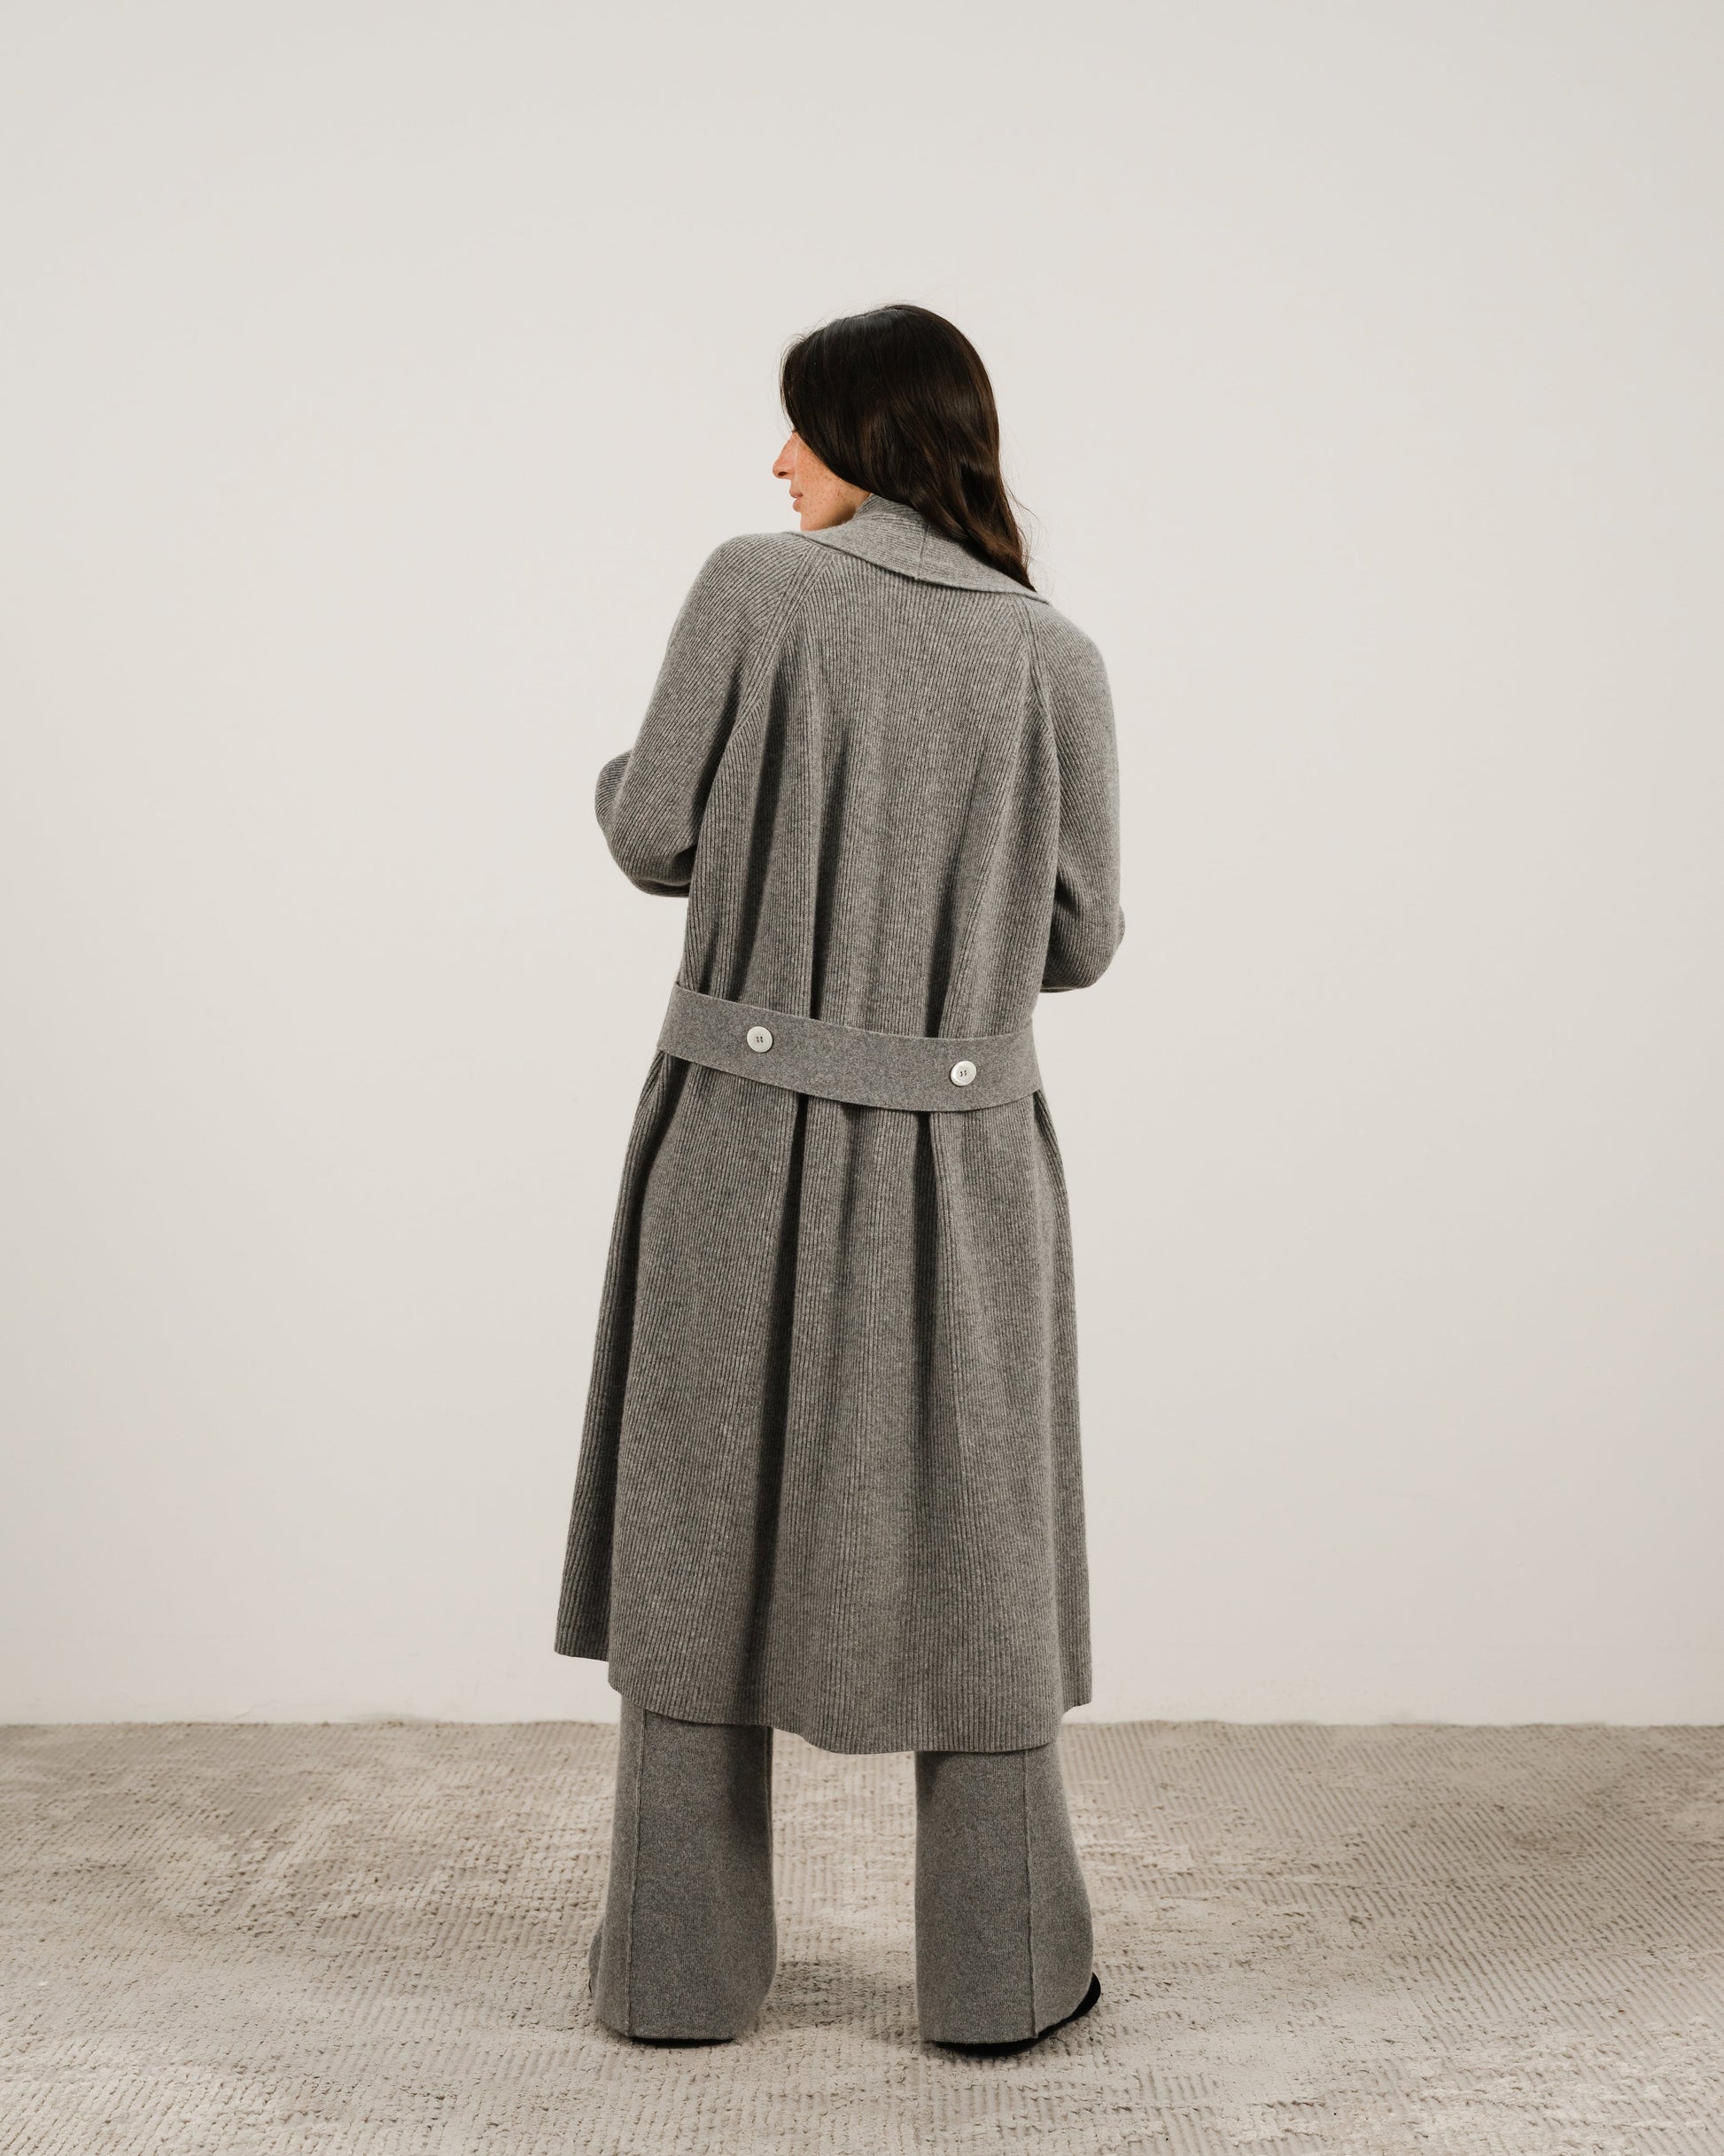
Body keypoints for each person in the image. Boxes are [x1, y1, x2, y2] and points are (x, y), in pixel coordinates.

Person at [554, 303, 1124, 2053]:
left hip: (738, 1127)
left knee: (697, 1528)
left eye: (797, 427)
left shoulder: (753, 587)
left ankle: (673, 1974)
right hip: (965, 1152)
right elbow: (1078, 940)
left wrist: (660, 789)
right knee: (977, 1546)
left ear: (864, 435)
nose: (776, 460)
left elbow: (652, 828)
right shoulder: (1051, 652)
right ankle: (1003, 1975)